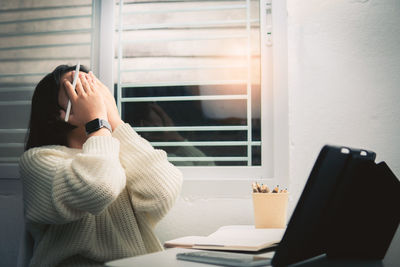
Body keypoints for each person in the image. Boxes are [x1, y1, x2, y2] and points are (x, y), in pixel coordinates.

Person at [19, 65, 183, 266]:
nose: (91, 88)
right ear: (56, 112)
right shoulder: (37, 161)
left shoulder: (117, 153)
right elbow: (100, 187)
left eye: (92, 82)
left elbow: (162, 193)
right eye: (76, 83)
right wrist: (97, 121)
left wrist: (115, 121)